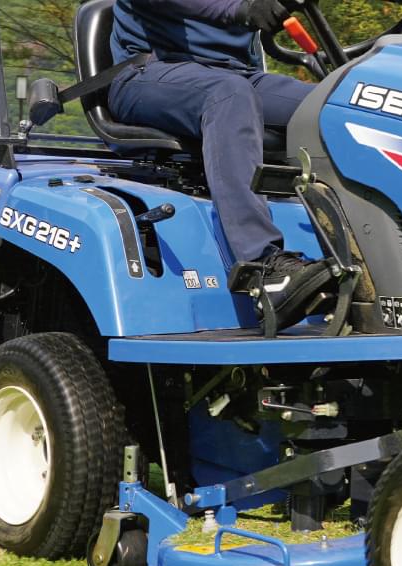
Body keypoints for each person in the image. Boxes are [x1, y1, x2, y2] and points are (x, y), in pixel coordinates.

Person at [109, 0, 337, 330]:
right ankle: (263, 268)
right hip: (150, 74)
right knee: (230, 94)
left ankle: (369, 262)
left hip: (238, 76)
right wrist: (241, 8)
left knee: (337, 103)